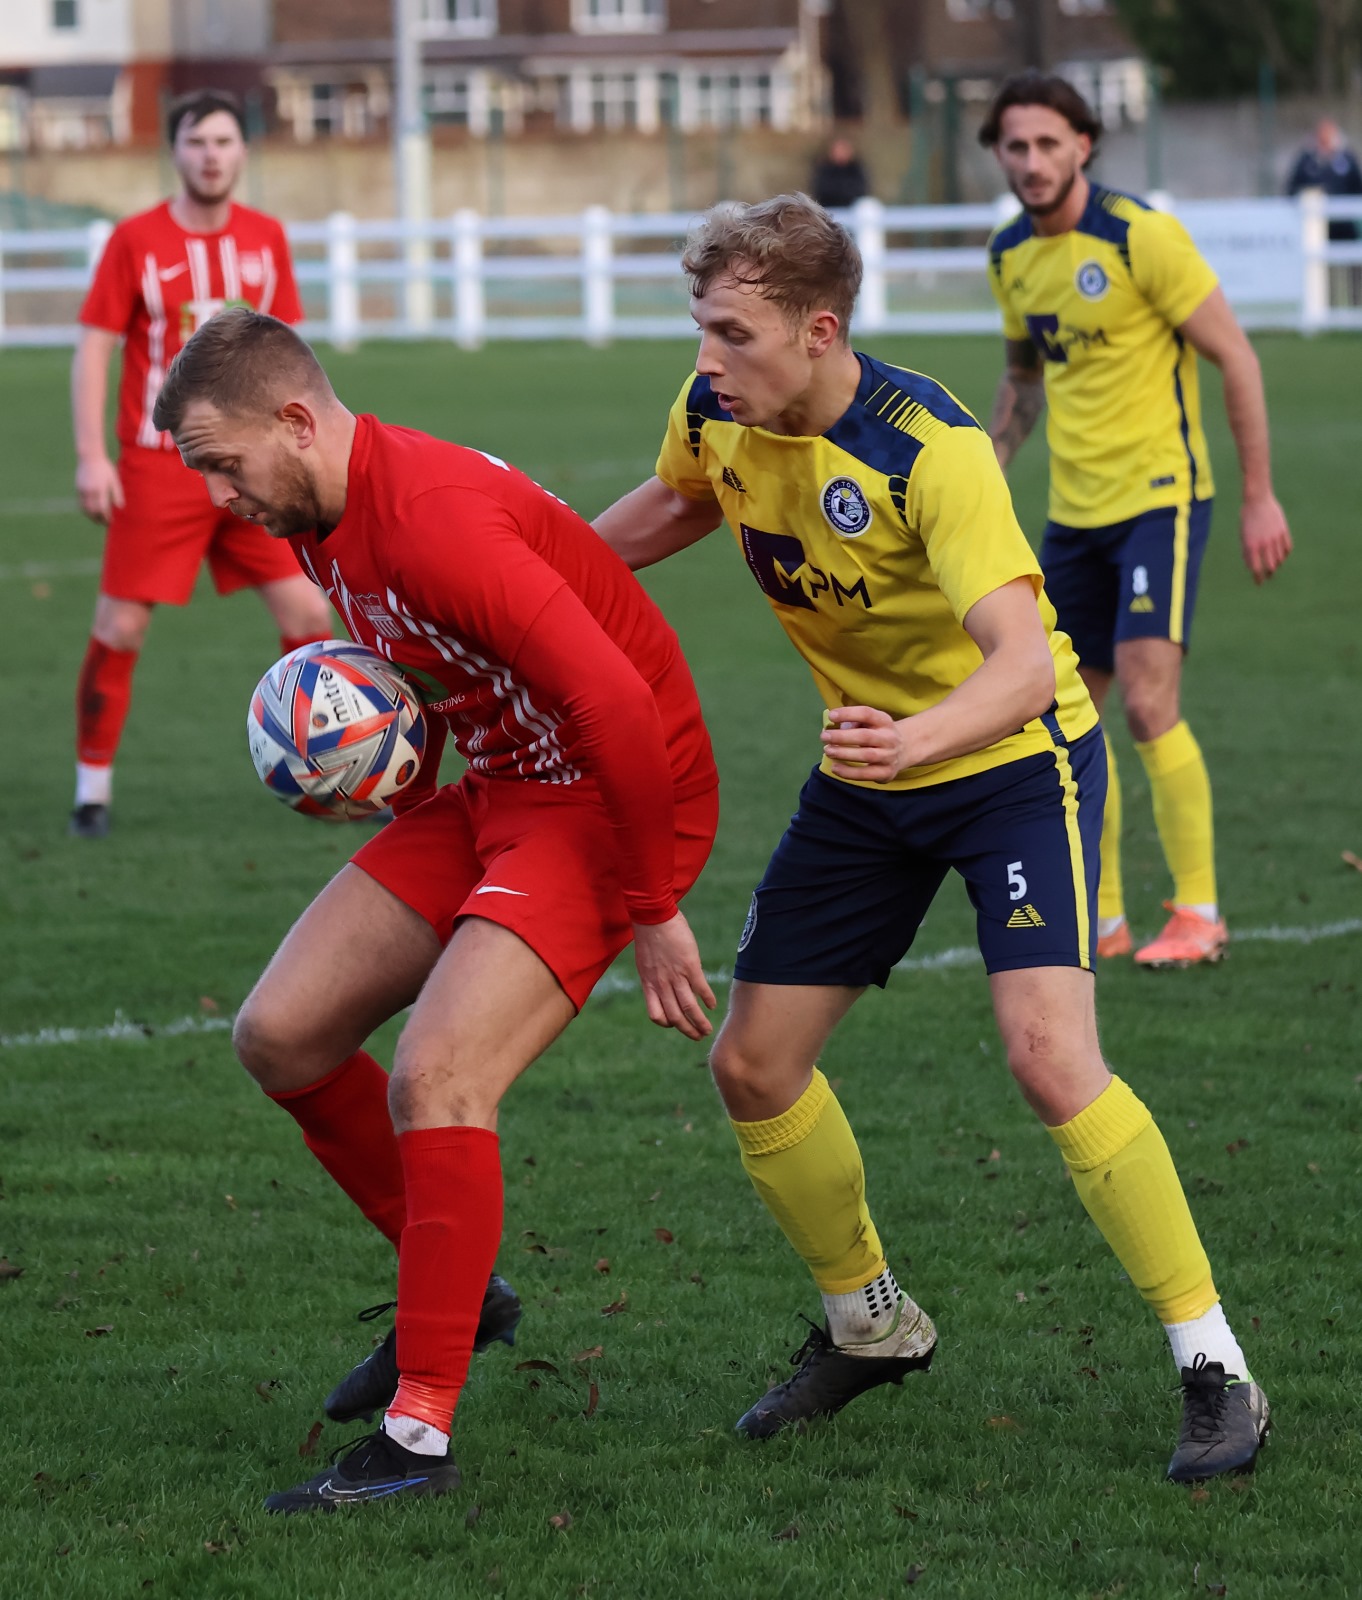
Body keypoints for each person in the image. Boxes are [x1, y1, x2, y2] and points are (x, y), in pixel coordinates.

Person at [593, 193, 1268, 1483]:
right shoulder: (714, 418)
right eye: (700, 328)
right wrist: (541, 565)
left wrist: (919, 739)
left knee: (1048, 1056)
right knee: (752, 1065)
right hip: (870, 774)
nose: (705, 359)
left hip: (1011, 762)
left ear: (819, 329)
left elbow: (1021, 666)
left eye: (732, 332)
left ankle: (1216, 1368)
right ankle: (872, 1322)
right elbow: (675, 507)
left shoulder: (928, 448)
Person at [152, 307, 719, 1514]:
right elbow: (452, 675)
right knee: (283, 1033)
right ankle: (453, 1283)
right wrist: (375, 759)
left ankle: (417, 1434)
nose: (219, 492)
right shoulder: (321, 519)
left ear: (296, 421)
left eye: (222, 460)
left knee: (438, 1075)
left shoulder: (433, 520)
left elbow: (616, 703)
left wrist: (653, 903)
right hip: (508, 783)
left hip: (615, 800)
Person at [979, 72, 1293, 966]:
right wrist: (988, 467)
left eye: (1049, 144)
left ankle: (1199, 913)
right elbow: (1024, 380)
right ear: (998, 154)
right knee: (1067, 720)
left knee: (1152, 707)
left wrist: (1259, 495)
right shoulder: (1009, 255)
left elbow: (1237, 358)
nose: (1033, 162)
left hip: (1161, 501)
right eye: (1017, 146)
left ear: (1084, 145)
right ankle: (1105, 918)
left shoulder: (1138, 236)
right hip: (1072, 519)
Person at [70, 88, 331, 839]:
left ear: (241, 151)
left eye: (223, 141)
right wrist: (93, 454)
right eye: (196, 142)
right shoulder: (135, 241)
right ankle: (92, 792)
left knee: (309, 612)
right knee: (120, 626)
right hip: (158, 466)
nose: (211, 156)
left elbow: (290, 356)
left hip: (256, 466)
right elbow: (94, 345)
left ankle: (320, 779)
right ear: (176, 152)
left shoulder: (265, 238)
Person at [1286, 117, 1362, 304]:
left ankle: (1355, 305)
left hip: (1345, 224)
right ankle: (1330, 305)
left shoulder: (1347, 158)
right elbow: (1291, 188)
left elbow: (1358, 188)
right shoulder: (1306, 160)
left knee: (1353, 266)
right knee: (1323, 269)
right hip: (1317, 228)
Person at [811, 136, 870, 211]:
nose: (840, 154)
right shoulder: (824, 169)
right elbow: (821, 190)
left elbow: (862, 189)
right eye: (838, 150)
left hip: (852, 209)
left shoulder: (856, 168)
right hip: (829, 208)